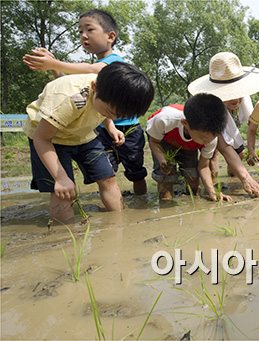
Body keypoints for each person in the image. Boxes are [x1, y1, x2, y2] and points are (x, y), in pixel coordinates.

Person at [22, 9, 148, 195]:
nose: (83, 36)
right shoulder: (90, 84)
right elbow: (82, 92)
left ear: (110, 36)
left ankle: (139, 199)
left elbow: (92, 70)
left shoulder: (113, 64)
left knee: (132, 170)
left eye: (89, 29)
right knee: (107, 172)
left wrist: (54, 63)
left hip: (122, 128)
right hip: (96, 126)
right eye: (80, 31)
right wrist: (56, 70)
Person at [23, 62, 154, 222]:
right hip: (50, 139)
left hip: (84, 134)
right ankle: (64, 234)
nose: (114, 117)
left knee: (107, 178)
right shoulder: (69, 98)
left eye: (119, 116)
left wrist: (111, 126)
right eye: (110, 112)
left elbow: (106, 112)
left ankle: (119, 224)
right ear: (94, 87)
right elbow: (41, 139)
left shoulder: (107, 96)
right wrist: (61, 178)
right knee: (63, 191)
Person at [187, 52, 259, 197]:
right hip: (206, 132)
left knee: (239, 154)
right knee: (212, 155)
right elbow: (224, 146)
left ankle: (231, 174)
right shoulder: (210, 106)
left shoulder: (246, 101)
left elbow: (252, 126)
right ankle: (210, 186)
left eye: (238, 92)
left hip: (220, 130)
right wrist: (246, 178)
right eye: (229, 94)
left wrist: (251, 150)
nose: (235, 100)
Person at [146, 94, 232, 202]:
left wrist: (212, 191)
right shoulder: (164, 120)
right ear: (185, 123)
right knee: (166, 177)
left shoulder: (211, 138)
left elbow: (203, 166)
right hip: (163, 139)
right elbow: (154, 142)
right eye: (203, 138)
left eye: (211, 138)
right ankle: (165, 201)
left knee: (192, 179)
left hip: (188, 145)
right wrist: (162, 159)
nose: (207, 142)